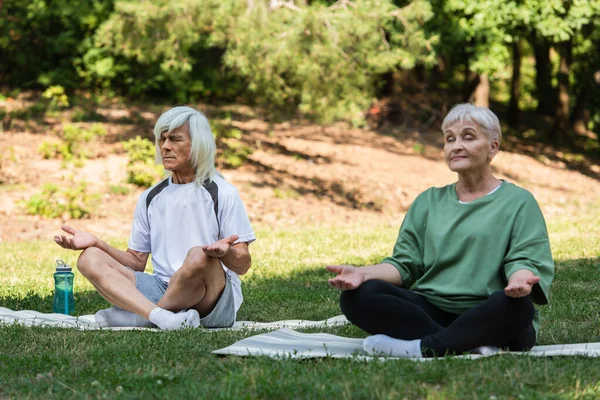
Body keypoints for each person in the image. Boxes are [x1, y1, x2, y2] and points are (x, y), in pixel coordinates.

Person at [327, 103, 554, 358]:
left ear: (493, 147)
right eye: (449, 139)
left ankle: (423, 347)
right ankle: (463, 341)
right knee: (357, 297)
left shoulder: (519, 201)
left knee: (517, 307)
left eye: (468, 137)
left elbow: (524, 258)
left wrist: (519, 280)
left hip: (489, 309)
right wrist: (363, 274)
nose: (456, 145)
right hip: (431, 308)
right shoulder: (428, 201)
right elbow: (404, 264)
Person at [54, 106, 256, 330]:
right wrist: (96, 243)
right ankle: (161, 317)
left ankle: (145, 317)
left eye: (175, 139)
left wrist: (226, 254)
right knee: (89, 258)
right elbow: (136, 262)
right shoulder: (150, 197)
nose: (165, 146)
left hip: (211, 299)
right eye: (162, 139)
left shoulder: (222, 192)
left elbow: (243, 265)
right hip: (162, 286)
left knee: (199, 255)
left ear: (198, 144)